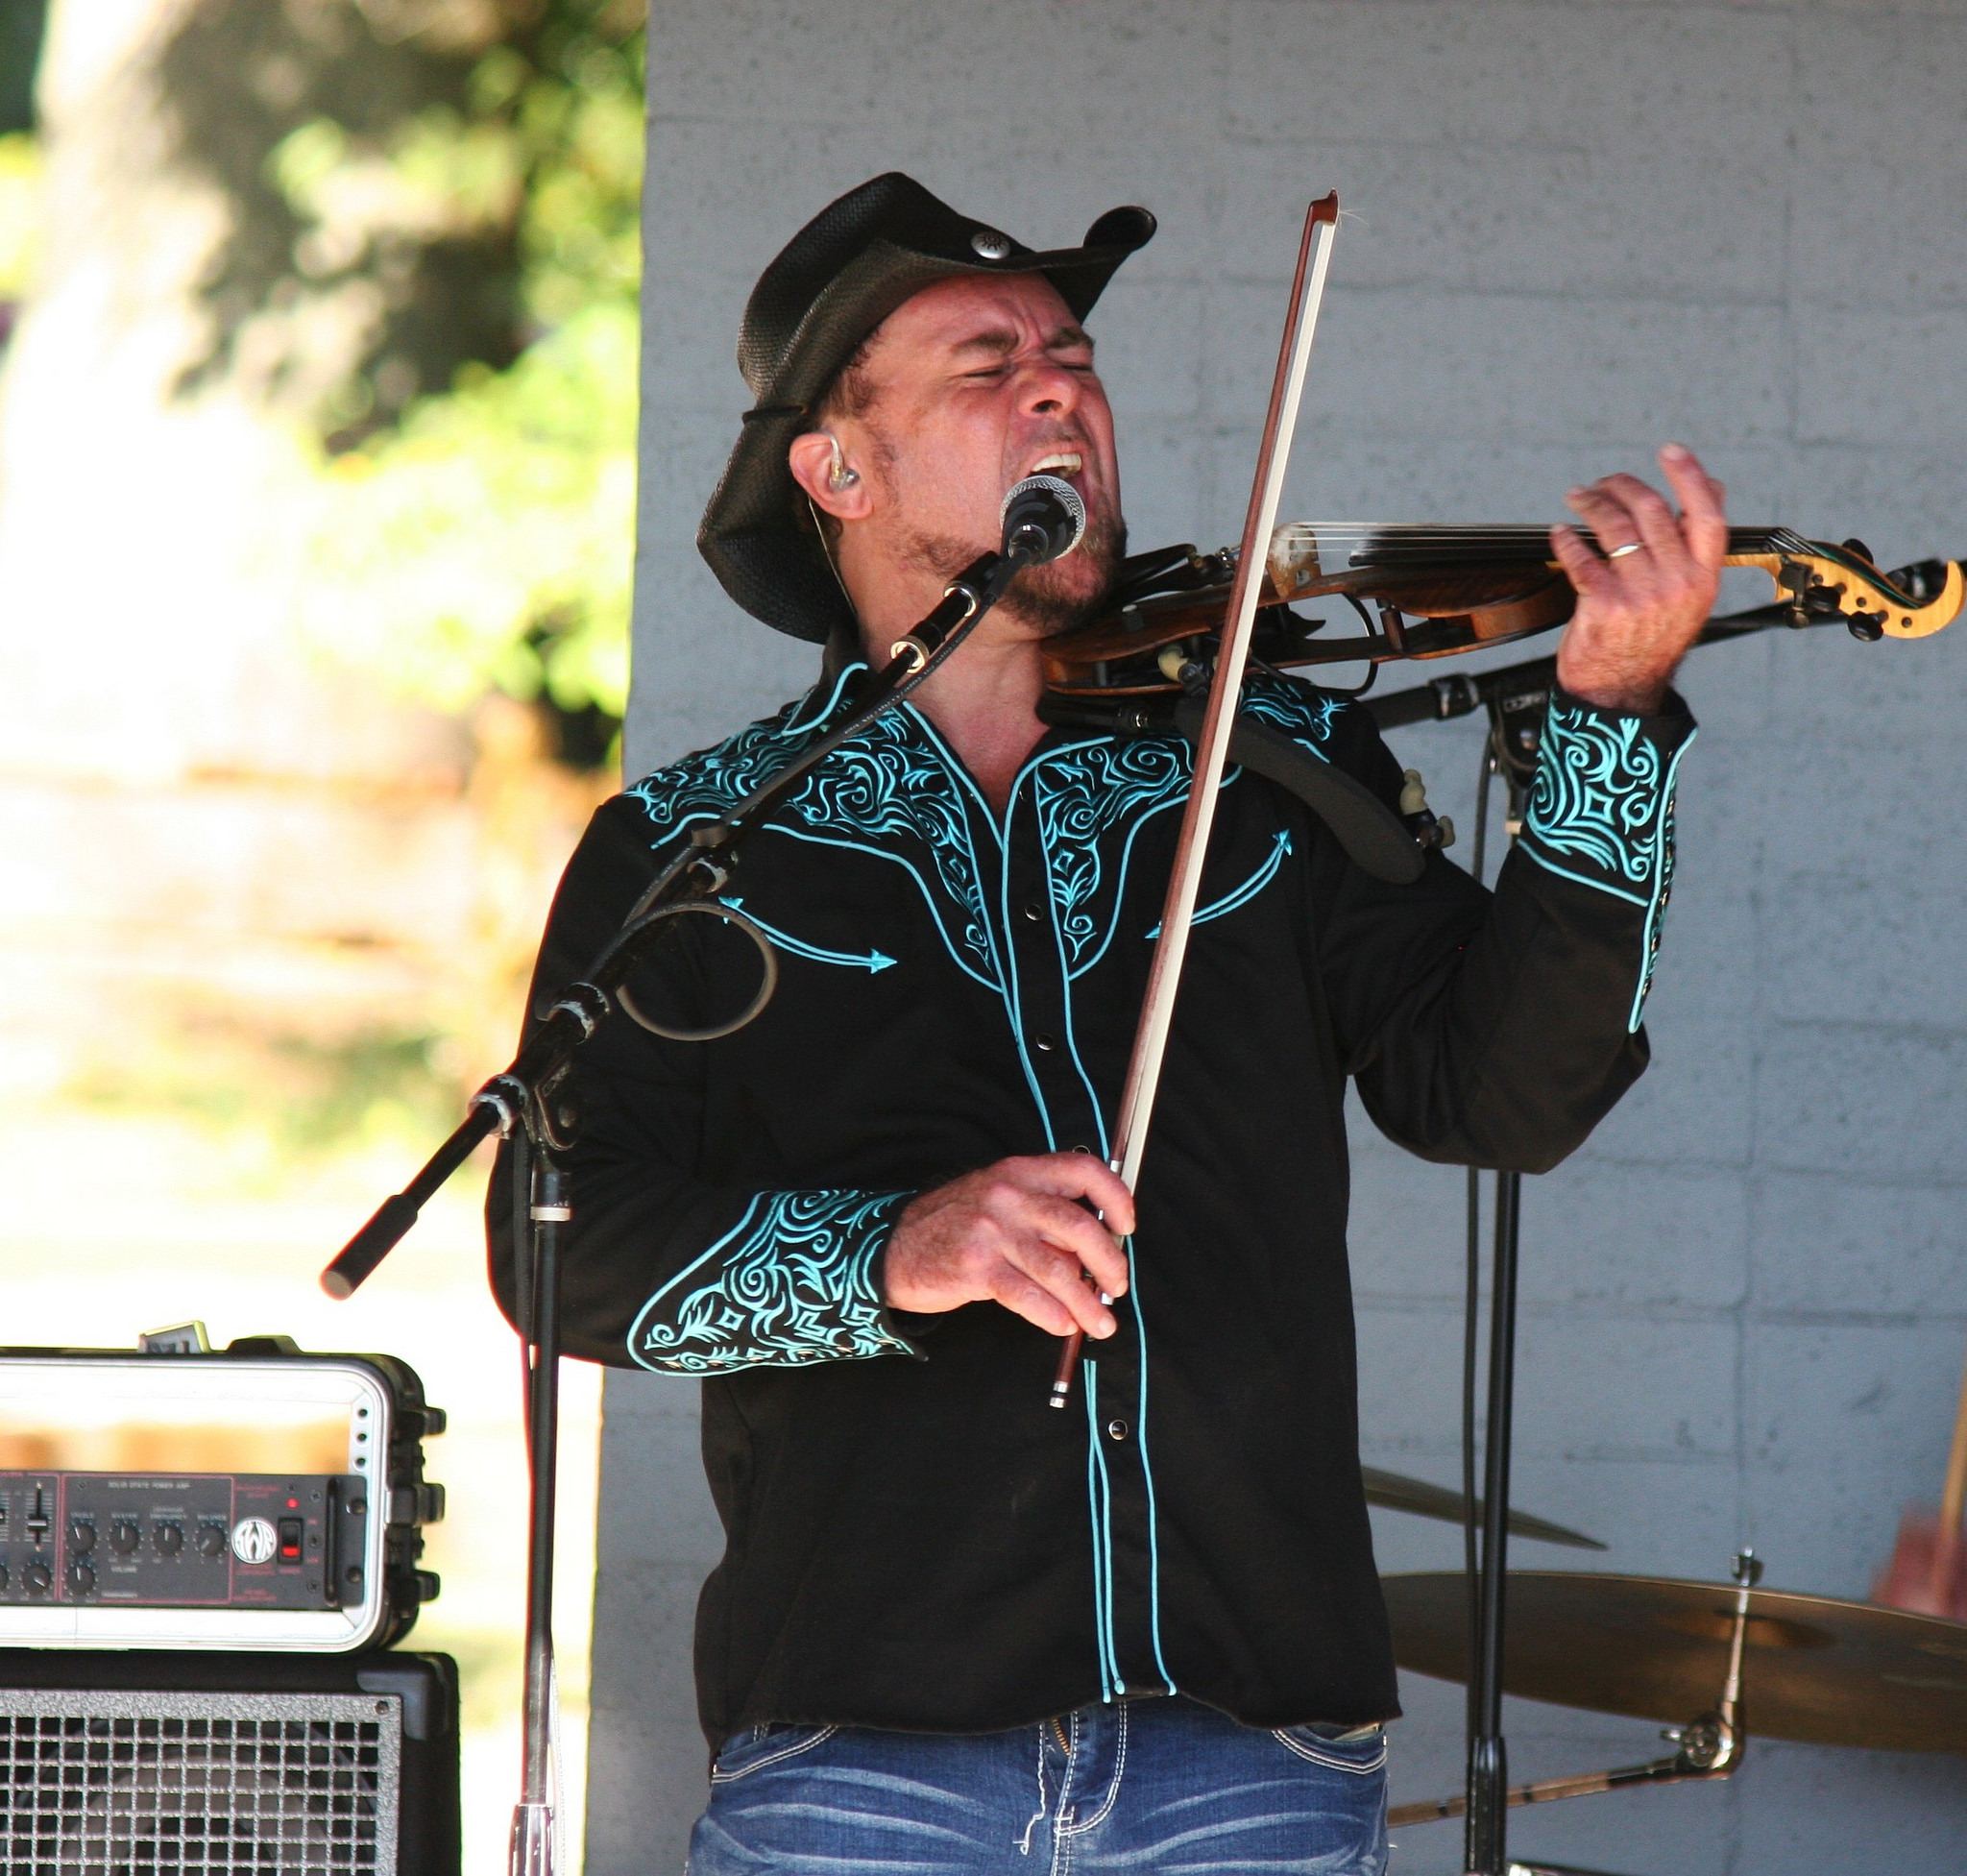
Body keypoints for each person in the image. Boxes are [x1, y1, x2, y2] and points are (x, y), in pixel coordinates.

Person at [488, 171, 1724, 1875]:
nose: (1060, 384)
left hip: (1251, 1743)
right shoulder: (703, 850)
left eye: (1072, 356)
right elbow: (560, 1254)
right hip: (858, 1749)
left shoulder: (1272, 773)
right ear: (838, 471)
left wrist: (1608, 721)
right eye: (986, 363)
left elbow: (1502, 1095)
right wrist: (899, 1248)